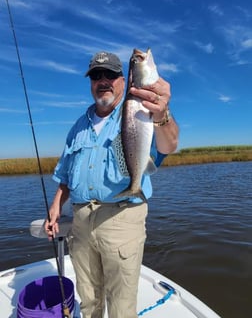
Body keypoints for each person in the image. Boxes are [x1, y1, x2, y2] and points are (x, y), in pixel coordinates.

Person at [45, 51, 179, 318]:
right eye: (96, 75)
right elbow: (65, 175)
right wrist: (56, 205)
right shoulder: (78, 126)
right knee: (88, 297)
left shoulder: (140, 109)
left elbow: (169, 145)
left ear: (124, 79)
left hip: (122, 216)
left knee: (120, 304)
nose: (103, 80)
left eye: (111, 74)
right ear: (91, 82)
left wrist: (162, 114)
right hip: (81, 221)